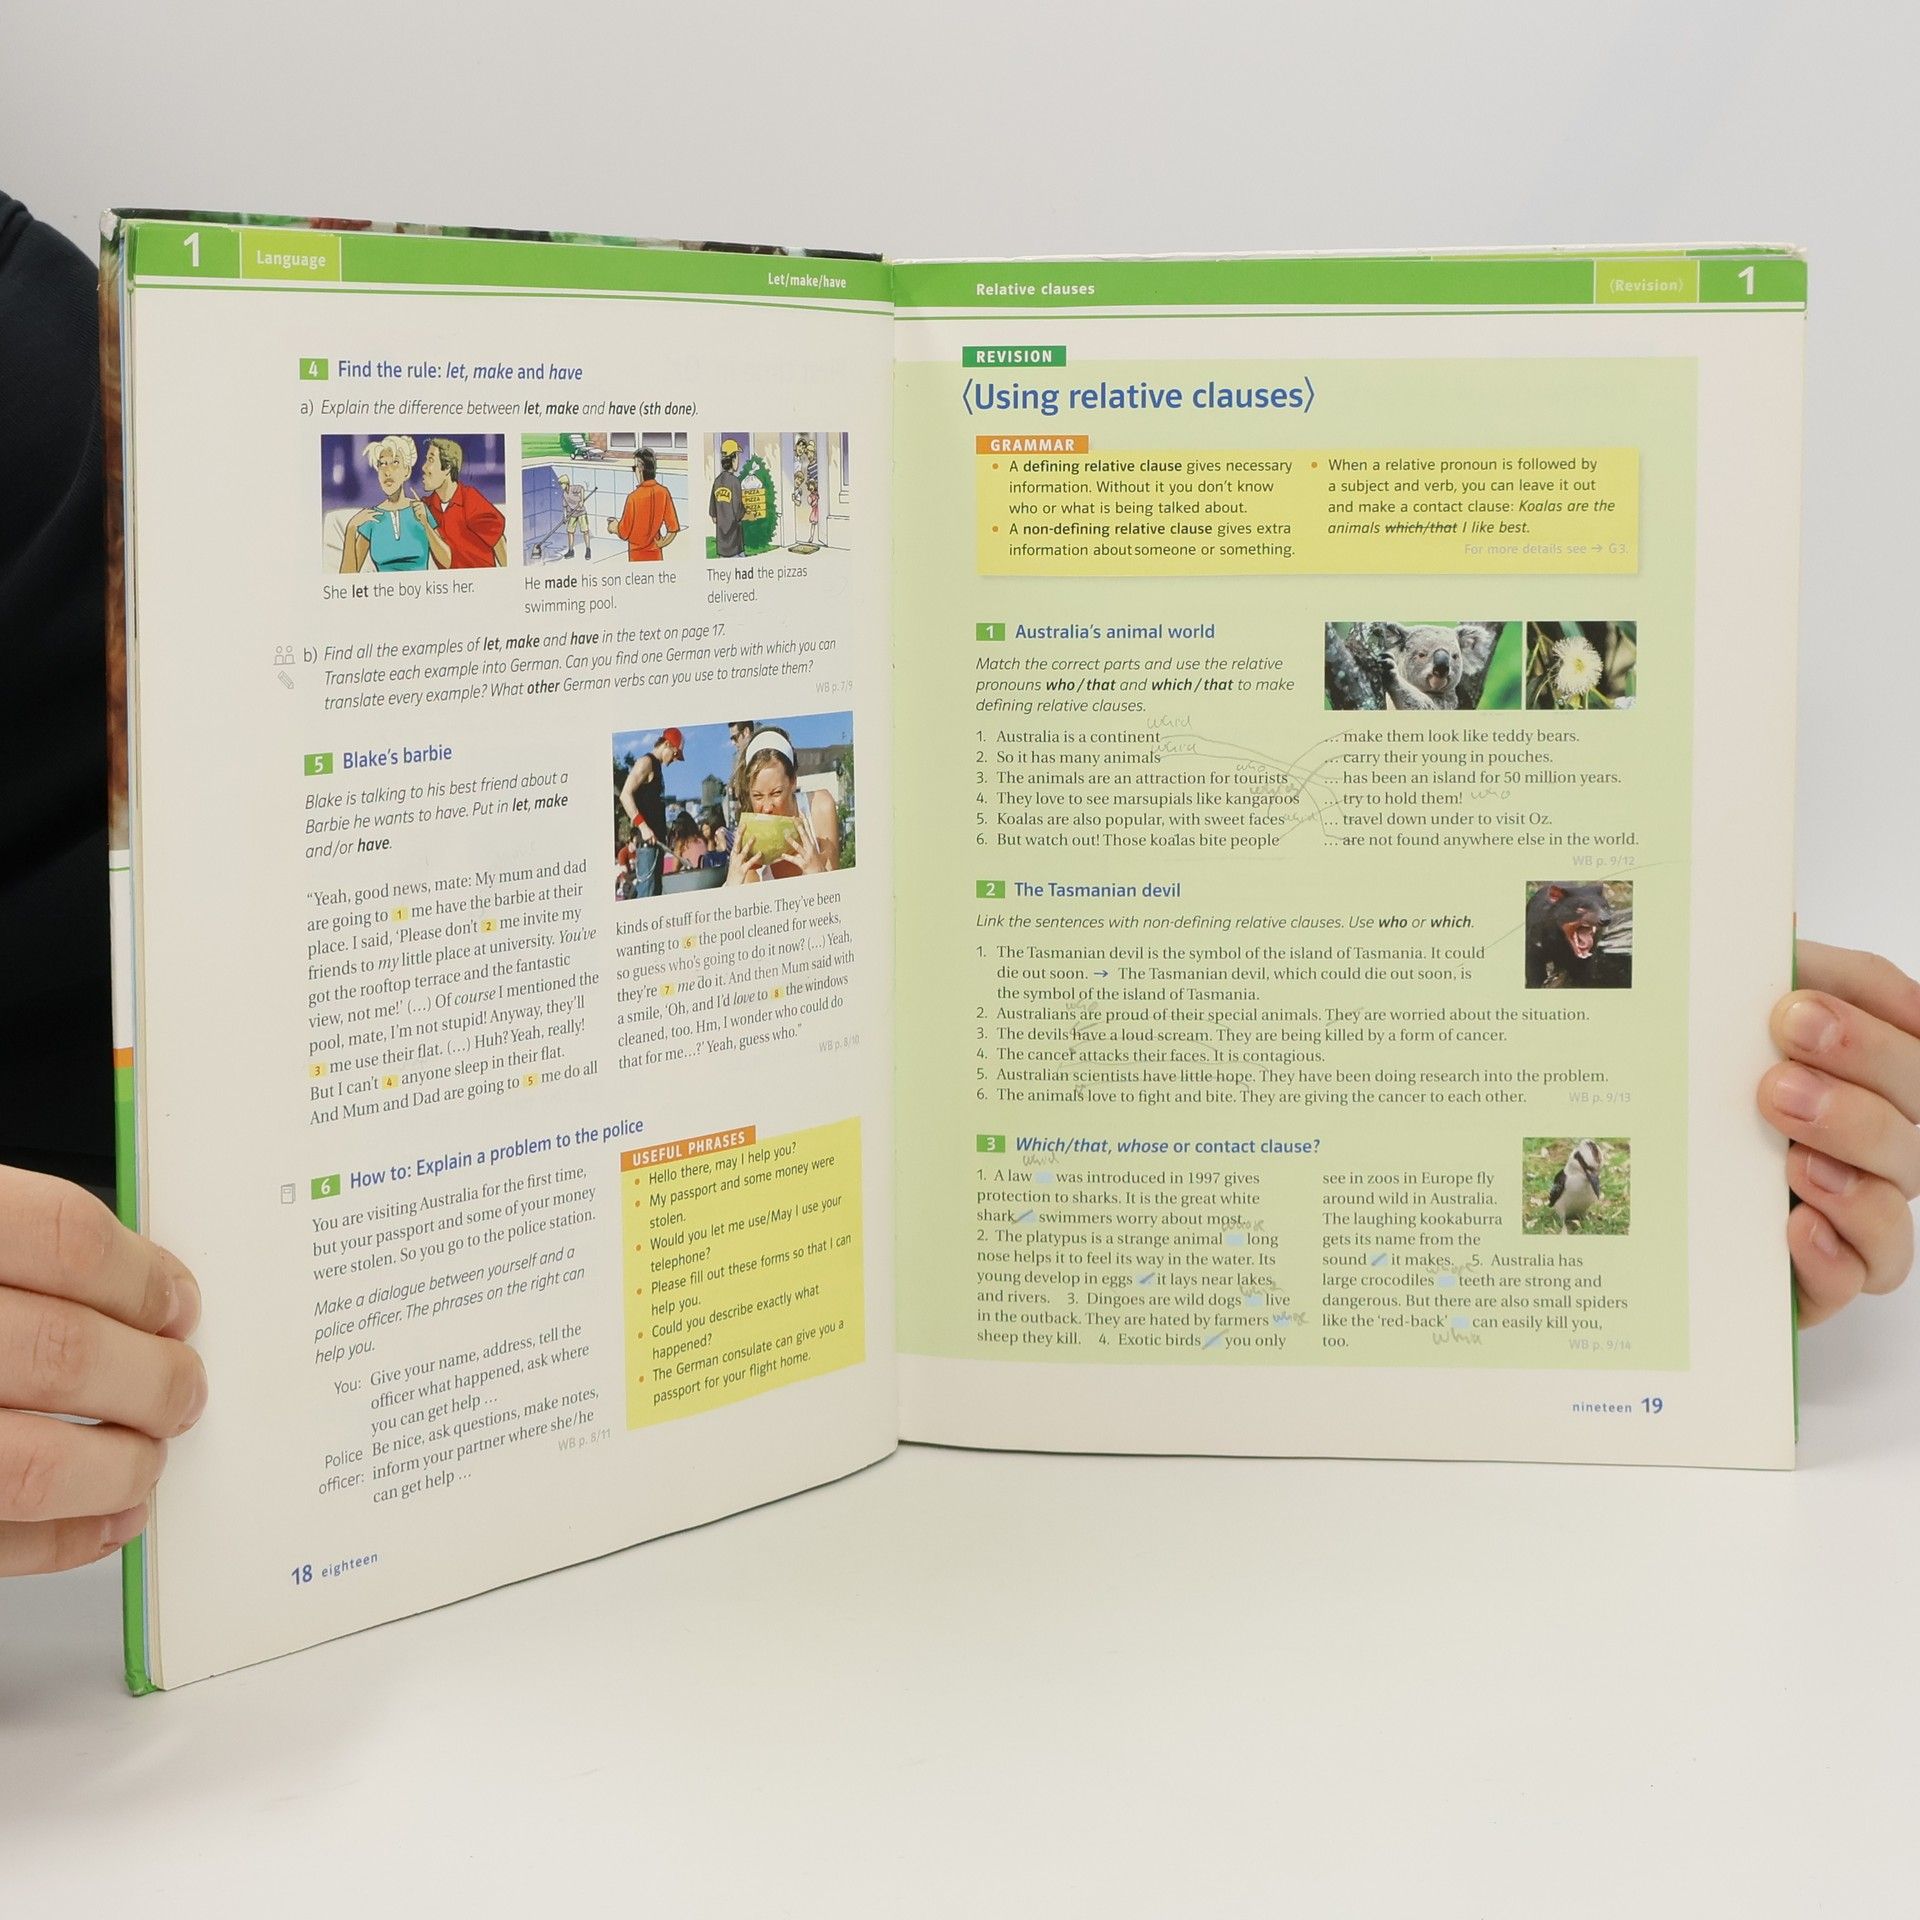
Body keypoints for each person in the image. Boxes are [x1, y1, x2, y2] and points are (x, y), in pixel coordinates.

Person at [723, 727, 839, 884]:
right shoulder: (750, 839)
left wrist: (818, 873)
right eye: (757, 796)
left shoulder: (819, 806)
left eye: (776, 793)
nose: (767, 808)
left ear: (793, 782)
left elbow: (836, 889)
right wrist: (732, 884)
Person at [338, 435, 448, 573]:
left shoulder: (420, 510)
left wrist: (426, 524)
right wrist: (351, 528)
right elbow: (347, 577)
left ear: (407, 471)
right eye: (382, 464)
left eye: (395, 462)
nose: (387, 471)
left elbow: (447, 561)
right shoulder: (372, 518)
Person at [615, 727, 684, 898]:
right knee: (647, 895)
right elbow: (625, 795)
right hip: (647, 846)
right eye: (675, 754)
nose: (674, 760)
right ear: (666, 744)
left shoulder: (657, 768)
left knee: (655, 894)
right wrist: (643, 827)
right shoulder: (646, 762)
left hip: (657, 844)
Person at [419, 436, 507, 568]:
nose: (424, 467)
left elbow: (498, 543)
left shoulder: (469, 499)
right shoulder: (427, 506)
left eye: (431, 460)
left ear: (447, 467)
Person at [609, 447, 680, 562]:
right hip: (656, 554)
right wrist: (662, 543)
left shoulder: (633, 498)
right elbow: (673, 529)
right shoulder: (663, 492)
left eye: (634, 468)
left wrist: (613, 527)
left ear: (640, 468)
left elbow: (624, 532)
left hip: (637, 556)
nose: (634, 471)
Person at [709, 437, 745, 557]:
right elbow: (738, 512)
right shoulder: (735, 482)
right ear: (733, 459)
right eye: (737, 456)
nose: (738, 461)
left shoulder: (717, 481)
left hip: (721, 544)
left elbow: (713, 514)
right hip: (734, 543)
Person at [558, 471, 592, 559]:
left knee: (585, 531)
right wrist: (565, 517)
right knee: (570, 531)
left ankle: (588, 550)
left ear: (566, 483)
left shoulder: (572, 488)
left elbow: (582, 488)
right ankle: (571, 551)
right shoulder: (564, 494)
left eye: (562, 484)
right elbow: (565, 507)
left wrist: (582, 501)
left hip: (581, 512)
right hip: (571, 514)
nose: (561, 486)